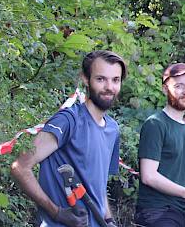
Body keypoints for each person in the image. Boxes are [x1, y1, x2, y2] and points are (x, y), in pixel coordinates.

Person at [11, 50, 127, 227]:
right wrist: (56, 213)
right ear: (86, 79)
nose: (109, 87)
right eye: (101, 79)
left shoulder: (112, 129)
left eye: (115, 80)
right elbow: (20, 167)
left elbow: (98, 186)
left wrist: (108, 219)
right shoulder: (68, 121)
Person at [134, 63, 185, 227]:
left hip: (180, 209)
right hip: (157, 211)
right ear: (165, 89)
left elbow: (182, 171)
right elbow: (148, 176)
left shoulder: (184, 128)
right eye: (179, 86)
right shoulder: (155, 124)